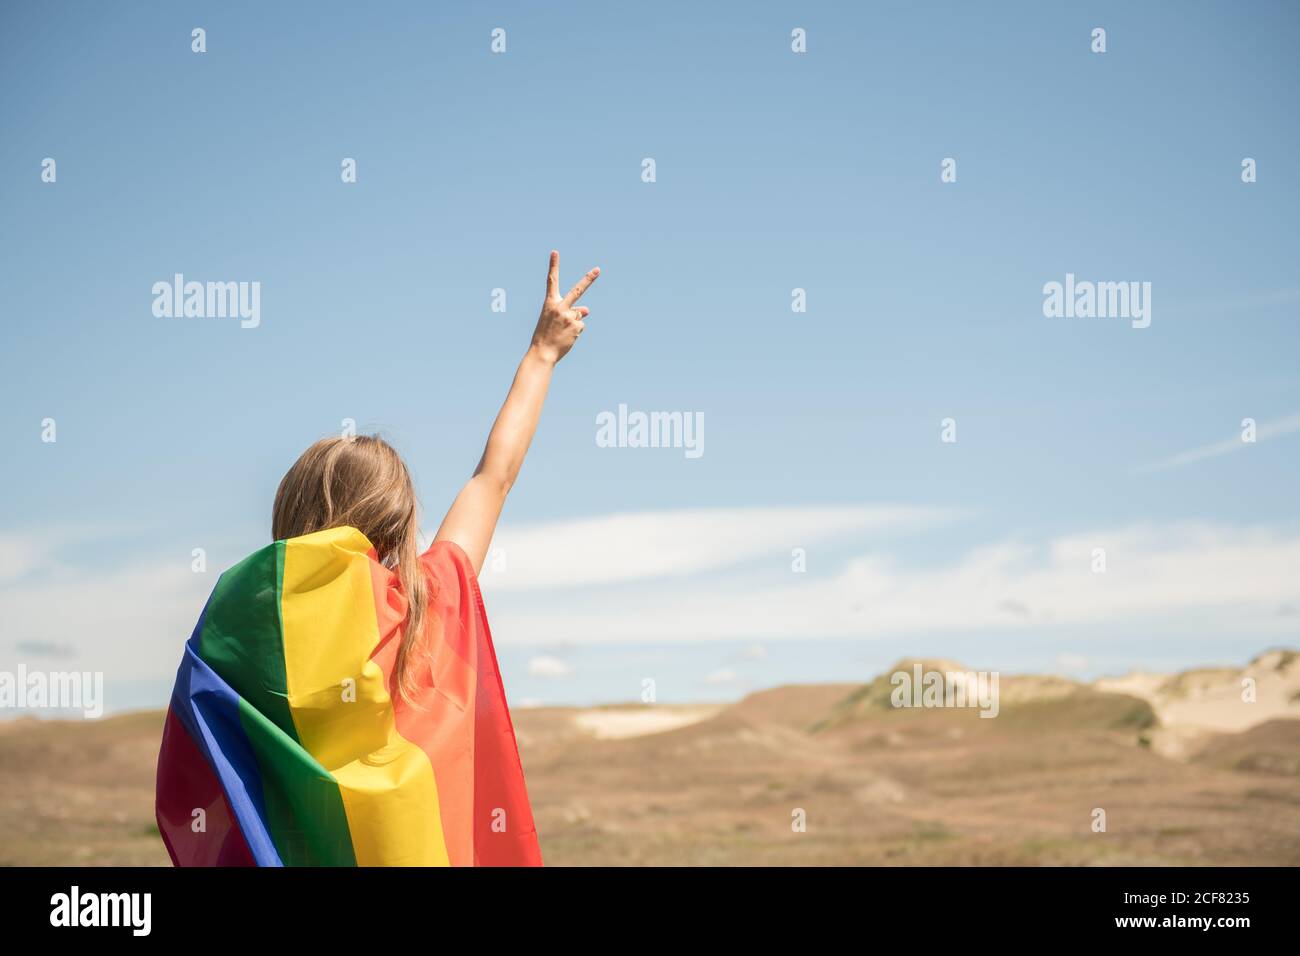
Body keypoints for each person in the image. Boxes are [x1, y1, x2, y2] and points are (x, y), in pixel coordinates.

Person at [155, 252, 600, 866]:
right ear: (394, 529)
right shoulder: (424, 603)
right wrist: (542, 354)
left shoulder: (238, 621)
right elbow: (491, 480)